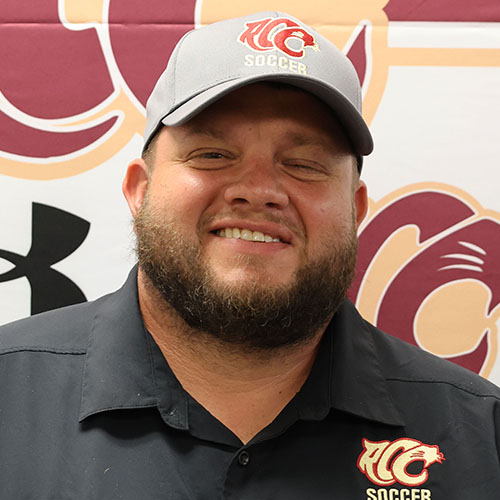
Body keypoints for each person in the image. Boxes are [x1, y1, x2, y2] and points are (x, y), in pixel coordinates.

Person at [0, 11, 499, 500]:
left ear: (354, 209)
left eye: (303, 164)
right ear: (139, 190)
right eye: (213, 155)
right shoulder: (9, 395)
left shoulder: (481, 435)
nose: (260, 190)